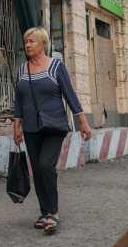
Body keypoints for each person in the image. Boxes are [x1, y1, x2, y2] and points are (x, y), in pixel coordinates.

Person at [12, 26, 92, 234]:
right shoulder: (22, 69)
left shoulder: (56, 66)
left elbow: (70, 95)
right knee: (37, 170)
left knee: (46, 165)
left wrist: (82, 121)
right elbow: (19, 99)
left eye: (32, 41)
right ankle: (44, 211)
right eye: (26, 41)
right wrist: (16, 125)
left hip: (54, 126)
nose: (27, 45)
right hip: (31, 127)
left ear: (43, 44)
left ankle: (53, 212)